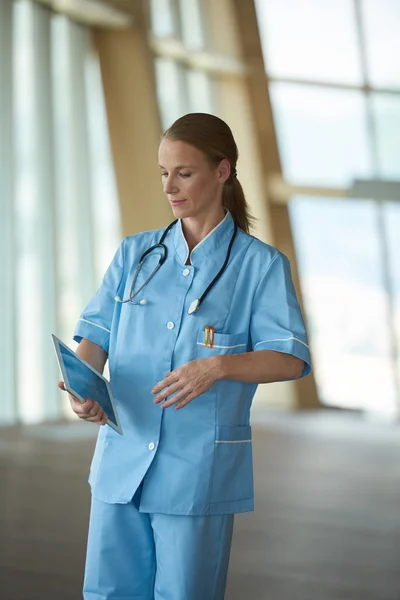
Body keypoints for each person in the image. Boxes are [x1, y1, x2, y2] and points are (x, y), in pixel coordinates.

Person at [58, 112, 311, 600]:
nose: (169, 186)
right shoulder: (136, 254)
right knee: (108, 593)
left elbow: (289, 358)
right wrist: (82, 387)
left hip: (197, 471)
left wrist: (217, 366)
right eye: (162, 173)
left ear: (223, 171)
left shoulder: (260, 266)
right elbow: (96, 335)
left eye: (184, 173)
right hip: (122, 458)